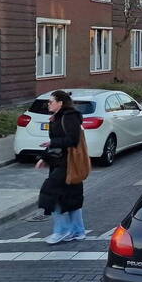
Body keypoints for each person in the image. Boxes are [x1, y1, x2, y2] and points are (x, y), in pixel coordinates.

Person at [35, 90, 86, 244]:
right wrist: (44, 158)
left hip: (68, 163)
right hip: (59, 162)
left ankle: (62, 231)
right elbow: (56, 142)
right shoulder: (56, 117)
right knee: (71, 198)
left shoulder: (69, 117)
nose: (48, 104)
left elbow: (72, 140)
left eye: (51, 101)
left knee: (52, 193)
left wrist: (52, 143)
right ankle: (78, 231)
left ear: (60, 103)